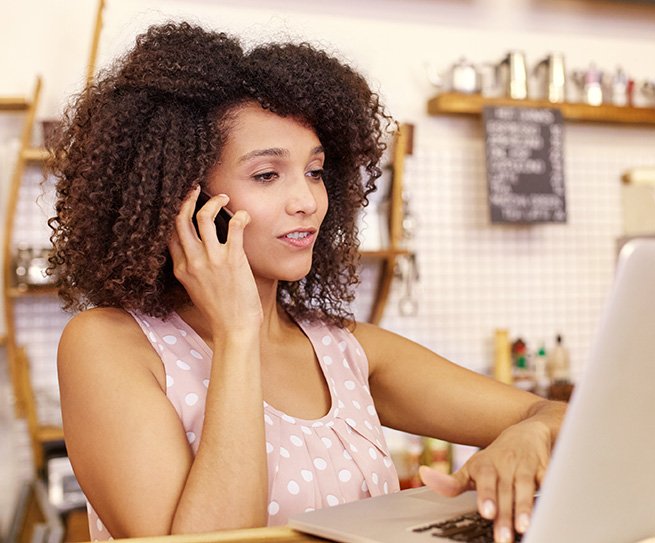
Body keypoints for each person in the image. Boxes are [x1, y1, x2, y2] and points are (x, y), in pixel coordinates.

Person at [50, 22, 565, 543]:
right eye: (267, 175)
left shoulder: (343, 349)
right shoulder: (109, 346)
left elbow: (564, 416)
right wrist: (238, 333)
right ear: (182, 199)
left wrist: (531, 434)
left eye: (315, 172)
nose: (307, 201)